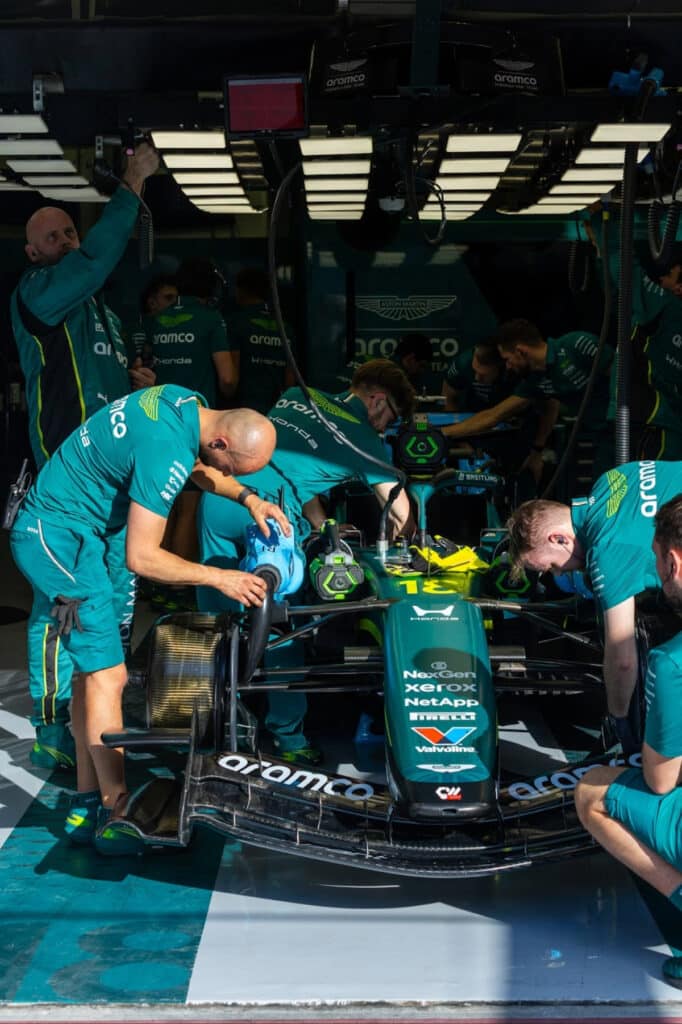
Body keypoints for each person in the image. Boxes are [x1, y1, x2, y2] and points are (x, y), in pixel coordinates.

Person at [10, 383, 288, 855]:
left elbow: (202, 468)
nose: (224, 474)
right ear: (221, 442)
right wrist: (220, 578)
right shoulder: (166, 450)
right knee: (108, 675)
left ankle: (85, 802)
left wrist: (248, 498)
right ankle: (114, 808)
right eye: (231, 468)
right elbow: (143, 557)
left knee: (92, 675)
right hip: (56, 539)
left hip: (89, 532)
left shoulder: (185, 405)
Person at [10, 143, 159, 770]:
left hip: (114, 485)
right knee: (61, 604)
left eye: (71, 229)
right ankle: (51, 723)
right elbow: (99, 261)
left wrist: (136, 383)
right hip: (67, 489)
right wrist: (132, 183)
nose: (68, 240)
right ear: (33, 253)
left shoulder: (97, 309)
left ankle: (104, 696)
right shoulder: (38, 294)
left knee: (117, 597)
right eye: (54, 235)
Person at [197, 359, 416, 764]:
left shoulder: (300, 395)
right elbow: (399, 511)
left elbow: (295, 463)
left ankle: (207, 724)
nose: (387, 429)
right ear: (377, 400)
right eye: (392, 419)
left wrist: (321, 525)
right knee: (283, 620)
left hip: (221, 495)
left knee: (215, 612)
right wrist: (405, 546)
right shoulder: (364, 440)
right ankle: (289, 738)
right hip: (272, 516)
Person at [574, 493, 682, 990]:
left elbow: (661, 782)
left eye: (657, 561)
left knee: (591, 792)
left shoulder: (671, 660)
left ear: (673, 560)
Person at [506, 460, 682, 754]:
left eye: (551, 567)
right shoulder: (611, 479)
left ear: (559, 538)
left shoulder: (605, 551)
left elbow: (622, 658)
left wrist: (619, 722)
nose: (560, 574)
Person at [441, 319, 612, 489]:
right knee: (605, 489)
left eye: (507, 359)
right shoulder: (535, 381)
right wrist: (443, 433)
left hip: (626, 427)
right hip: (602, 436)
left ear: (520, 351)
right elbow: (494, 415)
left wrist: (619, 417)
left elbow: (625, 372)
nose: (507, 366)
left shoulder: (577, 344)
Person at [586, 208, 682, 461]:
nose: (661, 280)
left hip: (650, 426)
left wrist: (600, 218)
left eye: (669, 276)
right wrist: (599, 243)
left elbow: (627, 273)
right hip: (659, 426)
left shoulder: (667, 306)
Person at [223, 266, 295, 413]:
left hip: (243, 408)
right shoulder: (285, 328)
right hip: (277, 408)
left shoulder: (236, 323)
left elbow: (232, 373)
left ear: (241, 290)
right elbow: (290, 378)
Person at [442, 341, 513, 413]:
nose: (477, 378)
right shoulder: (463, 363)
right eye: (474, 370)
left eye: (483, 375)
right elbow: (449, 394)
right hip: (475, 412)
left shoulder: (515, 369)